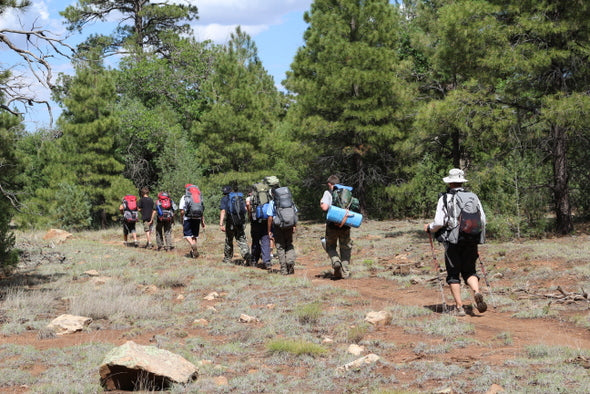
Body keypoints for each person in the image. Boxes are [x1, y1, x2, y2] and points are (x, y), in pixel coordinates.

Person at [424, 168, 488, 316]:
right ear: (461, 181)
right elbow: (483, 219)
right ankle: (476, 291)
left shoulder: (445, 198)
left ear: (450, 182)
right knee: (470, 271)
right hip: (471, 239)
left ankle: (459, 307)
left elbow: (439, 222)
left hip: (452, 241)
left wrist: (429, 228)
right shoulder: (473, 196)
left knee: (453, 274)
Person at [320, 175, 352, 279]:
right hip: (345, 225)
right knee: (345, 248)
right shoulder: (346, 192)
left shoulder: (328, 192)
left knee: (330, 246)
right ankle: (346, 272)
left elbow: (324, 207)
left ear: (329, 184)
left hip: (332, 225)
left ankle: (335, 261)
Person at [266, 181, 296, 275]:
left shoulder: (272, 203)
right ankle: (290, 262)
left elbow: (270, 217)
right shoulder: (289, 201)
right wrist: (294, 225)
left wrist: (269, 230)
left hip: (278, 227)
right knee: (289, 244)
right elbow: (294, 213)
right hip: (289, 226)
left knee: (280, 247)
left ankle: (284, 270)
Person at [219, 185, 251, 264]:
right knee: (241, 239)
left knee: (229, 240)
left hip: (230, 222)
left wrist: (221, 223)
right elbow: (245, 209)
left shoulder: (224, 199)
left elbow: (223, 211)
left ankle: (227, 258)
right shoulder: (239, 198)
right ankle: (247, 257)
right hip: (240, 221)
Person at [246, 181, 274, 269]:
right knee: (265, 240)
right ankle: (267, 261)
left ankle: (254, 260)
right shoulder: (268, 197)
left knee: (255, 241)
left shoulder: (251, 197)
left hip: (255, 221)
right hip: (266, 221)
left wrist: (250, 217)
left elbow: (249, 208)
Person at [179, 184, 206, 258]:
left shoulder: (184, 197)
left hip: (188, 217)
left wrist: (181, 218)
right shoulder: (199, 197)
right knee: (194, 235)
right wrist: (202, 221)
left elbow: (182, 211)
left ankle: (193, 245)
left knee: (187, 235)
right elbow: (202, 210)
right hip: (197, 218)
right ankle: (193, 252)